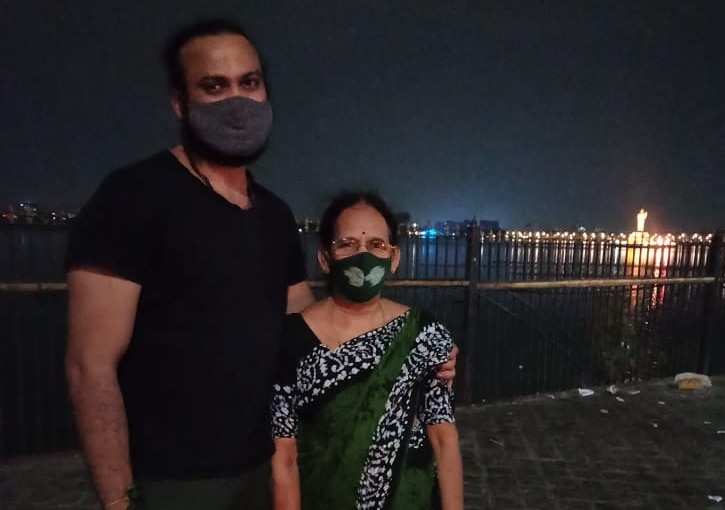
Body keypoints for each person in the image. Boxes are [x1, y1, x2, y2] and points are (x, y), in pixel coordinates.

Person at [64, 18, 456, 510]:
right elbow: (89, 366)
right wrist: (121, 500)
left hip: (267, 468)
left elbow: (314, 334)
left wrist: (418, 355)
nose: (237, 102)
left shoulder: (273, 216)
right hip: (175, 483)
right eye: (214, 86)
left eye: (249, 83)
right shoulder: (132, 198)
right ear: (179, 103)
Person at [271, 192, 464, 510]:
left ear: (394, 258)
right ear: (325, 259)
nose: (364, 255)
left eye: (376, 245)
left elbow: (443, 438)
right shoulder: (292, 339)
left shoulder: (422, 334)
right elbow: (284, 455)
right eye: (347, 243)